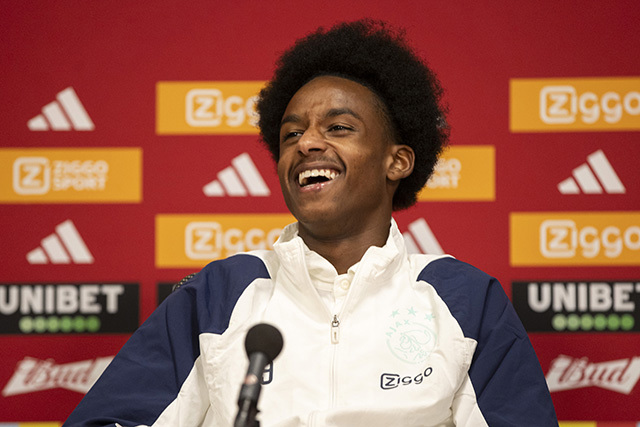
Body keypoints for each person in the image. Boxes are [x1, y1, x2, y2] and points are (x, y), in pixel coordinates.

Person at [64, 20, 558, 426]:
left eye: (338, 127)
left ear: (397, 161)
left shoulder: (465, 301)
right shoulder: (218, 294)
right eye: (291, 134)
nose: (307, 143)